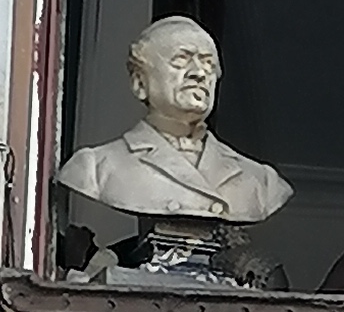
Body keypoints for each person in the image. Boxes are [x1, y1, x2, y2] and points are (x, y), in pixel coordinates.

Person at [58, 16, 291, 278]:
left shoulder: (261, 180)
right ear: (139, 82)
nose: (199, 73)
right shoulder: (94, 167)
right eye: (181, 60)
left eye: (208, 64)